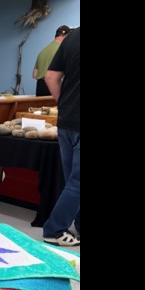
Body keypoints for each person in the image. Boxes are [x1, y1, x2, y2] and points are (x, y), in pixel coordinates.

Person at [42, 26, 80, 247]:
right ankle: (54, 230)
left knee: (73, 181)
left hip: (66, 121)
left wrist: (64, 105)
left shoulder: (72, 36)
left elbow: (50, 77)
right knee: (77, 183)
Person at [33, 25, 71, 97]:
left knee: (41, 108)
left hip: (40, 89)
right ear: (66, 36)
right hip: (55, 88)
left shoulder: (43, 51)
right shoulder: (63, 50)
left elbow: (35, 75)